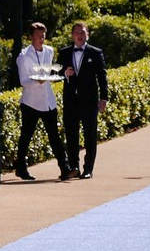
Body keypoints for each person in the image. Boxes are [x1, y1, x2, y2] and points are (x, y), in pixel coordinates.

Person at [13, 22, 72, 182]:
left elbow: (49, 71)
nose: (42, 38)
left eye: (44, 35)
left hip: (48, 101)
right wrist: (37, 81)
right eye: (39, 36)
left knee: (54, 136)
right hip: (30, 102)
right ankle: (20, 168)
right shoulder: (23, 56)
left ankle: (65, 169)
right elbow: (23, 81)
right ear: (31, 37)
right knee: (26, 136)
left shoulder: (49, 51)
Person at [58, 22, 108, 179]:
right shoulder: (64, 52)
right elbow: (57, 72)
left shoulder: (95, 52)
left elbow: (102, 76)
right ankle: (74, 167)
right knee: (71, 135)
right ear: (72, 35)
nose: (80, 35)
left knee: (90, 136)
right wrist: (65, 72)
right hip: (71, 100)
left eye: (83, 32)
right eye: (77, 32)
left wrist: (104, 98)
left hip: (89, 101)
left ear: (88, 35)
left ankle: (88, 169)